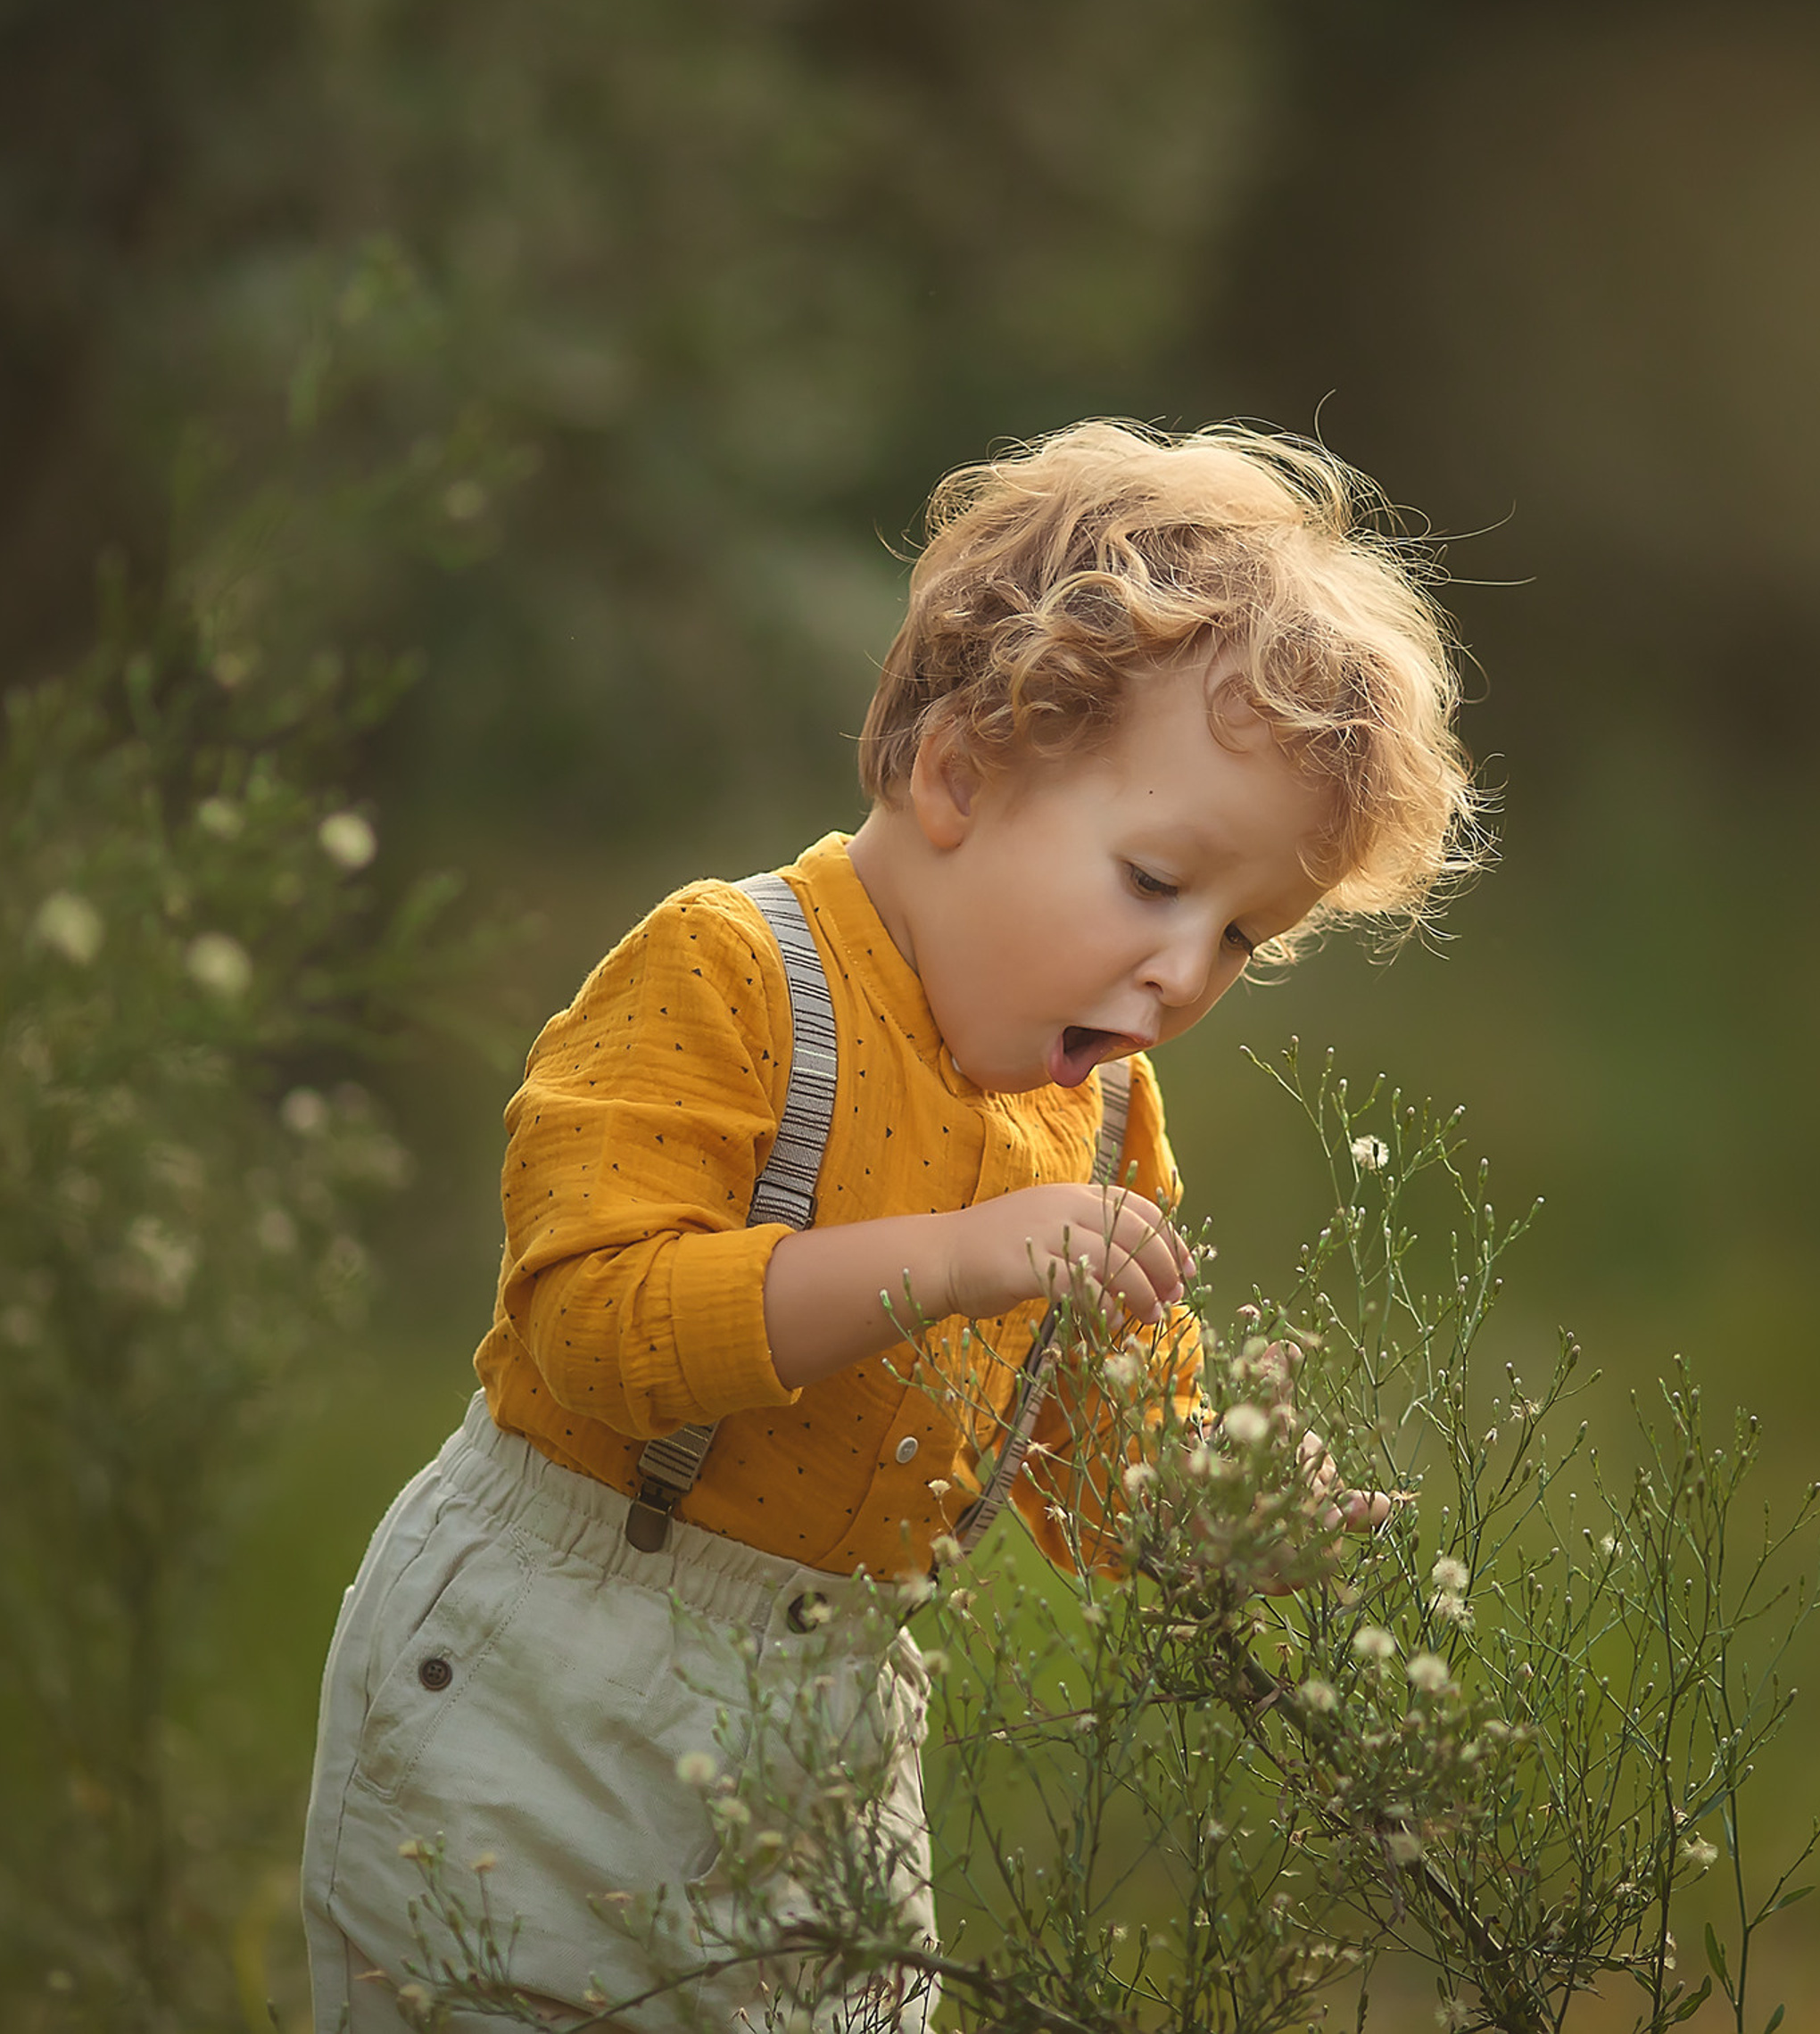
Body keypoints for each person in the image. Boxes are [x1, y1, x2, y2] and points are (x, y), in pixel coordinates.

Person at [301, 420, 1481, 2030]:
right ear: (959, 774)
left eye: (1244, 940)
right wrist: (963, 1259)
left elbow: (1093, 1467)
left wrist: (1231, 1515)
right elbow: (598, 1330)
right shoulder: (731, 974)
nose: (1188, 973)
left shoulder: (1105, 1122)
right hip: (539, 1687)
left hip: (826, 1715)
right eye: (1154, 882)